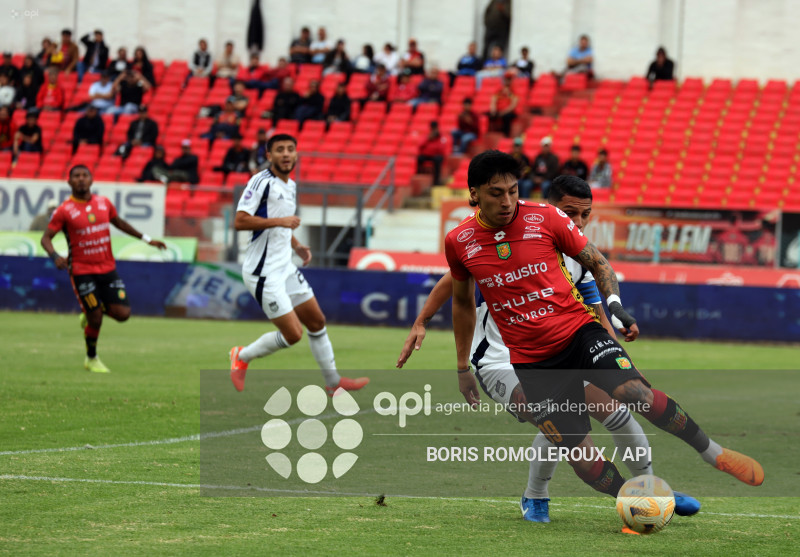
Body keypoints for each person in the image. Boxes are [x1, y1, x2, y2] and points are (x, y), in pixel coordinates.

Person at [443, 152, 764, 515]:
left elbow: (598, 264)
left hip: (578, 333)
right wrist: (457, 364)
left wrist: (616, 308)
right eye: (496, 193)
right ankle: (639, 499)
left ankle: (713, 454)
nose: (507, 201)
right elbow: (460, 300)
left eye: (513, 191)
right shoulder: (460, 241)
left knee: (633, 394)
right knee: (579, 456)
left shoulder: (548, 220)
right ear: (474, 193)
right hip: (529, 361)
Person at [397, 173, 702, 523]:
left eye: (584, 215)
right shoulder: (501, 239)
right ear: (546, 209)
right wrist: (423, 322)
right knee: (548, 416)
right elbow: (451, 283)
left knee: (616, 407)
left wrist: (625, 365)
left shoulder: (576, 254)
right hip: (499, 357)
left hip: (557, 349)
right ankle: (536, 495)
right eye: (569, 213)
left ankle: (650, 489)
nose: (577, 222)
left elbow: (597, 315)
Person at [229, 133, 369, 395]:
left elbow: (280, 221)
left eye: (290, 149)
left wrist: (296, 245)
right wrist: (280, 223)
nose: (285, 154)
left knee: (316, 321)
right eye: (279, 150)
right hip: (263, 272)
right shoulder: (261, 182)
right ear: (269, 156)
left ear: (296, 154)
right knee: (293, 335)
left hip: (285, 267)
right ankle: (242, 355)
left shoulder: (290, 184)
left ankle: (333, 381)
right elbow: (240, 221)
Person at [41, 164, 167, 372]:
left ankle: (89, 311)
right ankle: (91, 358)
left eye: (85, 175)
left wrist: (147, 239)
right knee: (96, 318)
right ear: (69, 182)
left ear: (91, 180)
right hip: (82, 271)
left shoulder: (104, 204)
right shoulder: (64, 211)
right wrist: (55, 256)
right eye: (76, 176)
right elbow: (46, 238)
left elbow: (120, 223)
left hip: (107, 269)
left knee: (123, 314)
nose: (81, 179)